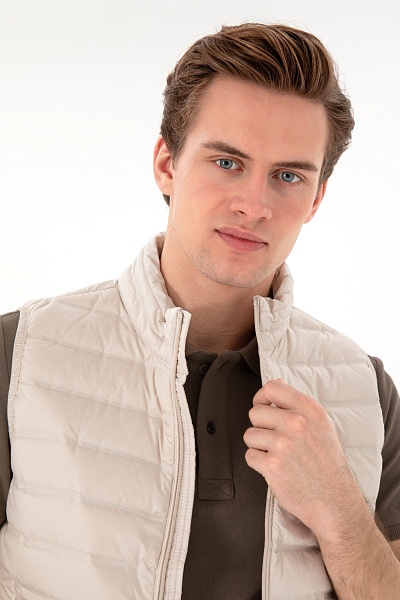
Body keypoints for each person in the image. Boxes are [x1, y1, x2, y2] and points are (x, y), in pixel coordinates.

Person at [0, 22, 399, 600]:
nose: (255, 206)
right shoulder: (19, 355)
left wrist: (340, 509)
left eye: (288, 176)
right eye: (227, 163)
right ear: (167, 164)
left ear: (316, 198)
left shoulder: (366, 391)